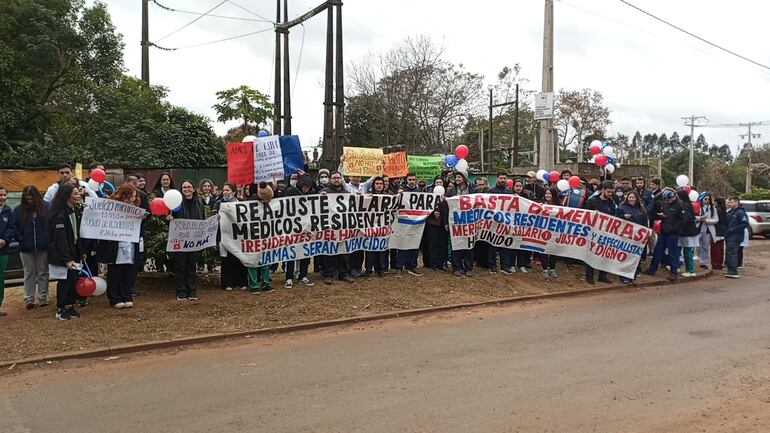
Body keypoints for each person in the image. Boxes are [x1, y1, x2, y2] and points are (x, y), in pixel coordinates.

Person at [98, 184, 141, 308]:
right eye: (132, 196)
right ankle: (115, 297)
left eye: (135, 196)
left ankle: (126, 295)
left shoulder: (134, 208)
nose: (134, 198)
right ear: (125, 195)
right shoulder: (112, 207)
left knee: (128, 272)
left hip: (130, 243)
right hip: (115, 244)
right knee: (115, 272)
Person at [47, 183, 85, 320]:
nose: (78, 195)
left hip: (74, 250)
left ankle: (70, 304)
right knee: (65, 280)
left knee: (74, 279)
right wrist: (67, 259)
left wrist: (81, 252)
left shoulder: (75, 210)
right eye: (75, 193)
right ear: (67, 196)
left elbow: (78, 234)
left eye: (78, 193)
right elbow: (60, 239)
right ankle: (61, 307)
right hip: (63, 253)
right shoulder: (59, 214)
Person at [14, 186, 51, 309]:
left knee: (43, 272)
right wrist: (21, 240)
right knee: (29, 273)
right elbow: (15, 227)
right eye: (27, 199)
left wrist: (47, 240)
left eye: (32, 199)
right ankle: (29, 299)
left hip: (43, 246)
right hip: (26, 247)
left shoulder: (46, 207)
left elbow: (51, 225)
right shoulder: (19, 210)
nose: (30, 201)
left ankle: (42, 297)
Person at [168, 180, 204, 300]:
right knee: (180, 266)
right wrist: (169, 218)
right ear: (181, 189)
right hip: (180, 240)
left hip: (194, 241)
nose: (186, 189)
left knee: (191, 266)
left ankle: (192, 291)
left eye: (189, 187)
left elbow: (203, 220)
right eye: (184, 187)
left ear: (194, 189)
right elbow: (171, 218)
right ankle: (181, 291)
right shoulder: (176, 203)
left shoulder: (199, 203)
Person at [281, 175, 315, 287]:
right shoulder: (290, 191)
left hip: (306, 227)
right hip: (292, 227)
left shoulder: (311, 193)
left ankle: (303, 275)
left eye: (308, 187)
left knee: (305, 252)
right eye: (304, 187)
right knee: (292, 252)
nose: (306, 189)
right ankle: (289, 277)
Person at [321, 171, 355, 285]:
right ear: (330, 179)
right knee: (330, 251)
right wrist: (319, 198)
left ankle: (344, 273)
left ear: (341, 179)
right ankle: (329, 274)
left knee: (345, 252)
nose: (336, 180)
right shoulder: (324, 192)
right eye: (334, 178)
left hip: (344, 227)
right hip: (329, 228)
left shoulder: (346, 193)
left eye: (338, 178)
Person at [213, 183, 248, 291]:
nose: (225, 192)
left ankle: (241, 282)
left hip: (237, 236)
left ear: (233, 192)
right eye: (224, 190)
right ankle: (227, 283)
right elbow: (213, 218)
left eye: (228, 190)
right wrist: (217, 217)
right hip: (224, 236)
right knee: (226, 260)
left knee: (239, 258)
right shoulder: (219, 203)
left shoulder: (240, 202)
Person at [583, 180, 617, 284]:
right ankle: (590, 276)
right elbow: (585, 214)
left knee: (604, 254)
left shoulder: (611, 202)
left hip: (606, 232)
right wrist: (593, 214)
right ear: (602, 190)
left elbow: (614, 214)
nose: (610, 194)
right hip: (593, 231)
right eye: (608, 192)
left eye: (611, 192)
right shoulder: (592, 200)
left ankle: (603, 275)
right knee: (591, 254)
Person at [647, 189, 685, 281]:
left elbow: (683, 220)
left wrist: (674, 228)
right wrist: (661, 216)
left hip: (673, 233)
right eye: (666, 200)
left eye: (668, 200)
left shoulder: (680, 205)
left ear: (673, 197)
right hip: (663, 231)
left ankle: (673, 272)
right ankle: (652, 269)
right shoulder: (665, 203)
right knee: (657, 251)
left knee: (673, 253)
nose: (667, 201)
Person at [444, 171, 476, 277]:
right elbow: (446, 207)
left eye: (459, 177)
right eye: (456, 177)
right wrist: (446, 222)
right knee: (456, 245)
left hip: (469, 222)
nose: (457, 179)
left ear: (465, 178)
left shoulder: (473, 190)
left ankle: (468, 268)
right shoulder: (451, 191)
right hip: (455, 222)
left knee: (468, 245)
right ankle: (456, 267)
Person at [246, 182, 276, 293]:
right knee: (252, 261)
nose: (269, 201)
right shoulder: (250, 203)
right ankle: (253, 285)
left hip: (265, 235)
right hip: (252, 236)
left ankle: (266, 283)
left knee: (265, 260)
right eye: (268, 199)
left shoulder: (270, 203)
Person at [393, 173, 423, 277]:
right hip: (404, 222)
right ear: (407, 180)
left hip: (416, 222)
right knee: (403, 244)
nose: (412, 181)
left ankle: (412, 266)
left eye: (413, 179)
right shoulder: (401, 191)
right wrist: (398, 195)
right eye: (410, 179)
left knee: (415, 244)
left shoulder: (419, 192)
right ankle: (399, 267)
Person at [617, 190, 648, 284]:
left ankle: (632, 275)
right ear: (627, 198)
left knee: (634, 257)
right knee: (625, 256)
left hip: (637, 238)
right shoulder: (621, 207)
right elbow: (616, 219)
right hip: (625, 236)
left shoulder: (641, 208)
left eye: (633, 197)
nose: (631, 199)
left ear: (636, 198)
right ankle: (623, 276)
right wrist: (623, 216)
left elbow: (645, 222)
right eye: (630, 197)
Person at [486, 173, 514, 274]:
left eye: (504, 178)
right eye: (501, 178)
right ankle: (492, 265)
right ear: (497, 179)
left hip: (505, 222)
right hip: (493, 222)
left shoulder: (509, 192)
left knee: (505, 244)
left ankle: (505, 266)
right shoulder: (490, 191)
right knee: (492, 244)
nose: (503, 180)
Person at [0, 185, 16, 317]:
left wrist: (4, 240)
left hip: (2, 250)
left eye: (5, 195)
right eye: (0, 195)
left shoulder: (8, 211)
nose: (3, 197)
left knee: (0, 278)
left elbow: (12, 228)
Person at [676, 189, 699, 277]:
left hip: (687, 232)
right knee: (685, 251)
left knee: (687, 251)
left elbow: (685, 219)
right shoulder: (688, 205)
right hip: (687, 232)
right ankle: (688, 269)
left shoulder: (684, 206)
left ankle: (690, 270)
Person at [724, 196, 749, 278]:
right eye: (729, 202)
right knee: (729, 253)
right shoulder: (731, 212)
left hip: (735, 236)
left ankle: (733, 272)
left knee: (732, 253)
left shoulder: (740, 212)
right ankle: (730, 270)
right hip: (729, 236)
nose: (729, 204)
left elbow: (745, 223)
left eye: (731, 202)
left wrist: (733, 229)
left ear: (736, 202)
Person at [539, 188, 560, 278]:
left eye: (550, 193)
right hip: (543, 230)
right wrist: (538, 207)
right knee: (543, 249)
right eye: (546, 193)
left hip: (555, 231)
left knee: (553, 249)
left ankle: (552, 268)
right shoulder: (540, 203)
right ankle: (544, 269)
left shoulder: (559, 205)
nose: (547, 195)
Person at [696, 193, 718, 270]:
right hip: (698, 228)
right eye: (705, 199)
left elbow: (716, 219)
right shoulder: (698, 207)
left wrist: (707, 220)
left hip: (707, 229)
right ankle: (699, 257)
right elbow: (693, 217)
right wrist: (700, 218)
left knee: (705, 246)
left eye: (709, 199)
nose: (707, 201)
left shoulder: (713, 208)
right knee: (697, 246)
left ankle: (703, 262)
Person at [710, 197, 728, 271]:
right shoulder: (724, 210)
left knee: (715, 249)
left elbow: (714, 220)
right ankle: (719, 264)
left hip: (716, 231)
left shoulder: (717, 210)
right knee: (720, 249)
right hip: (722, 232)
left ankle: (715, 264)